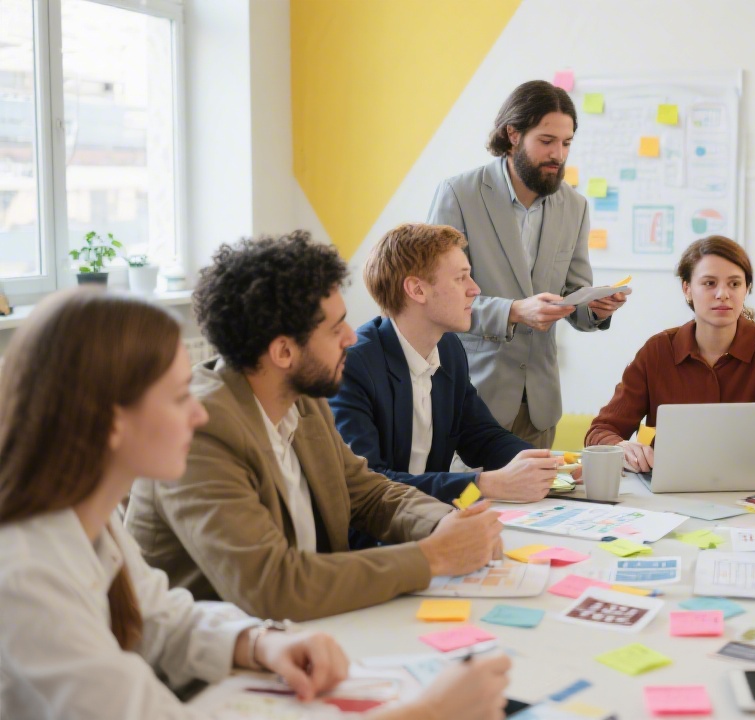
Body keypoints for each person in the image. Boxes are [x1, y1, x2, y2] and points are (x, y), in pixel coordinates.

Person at [0, 290, 511, 720]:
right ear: (111, 421)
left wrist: (259, 643)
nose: (196, 413)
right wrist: (422, 714)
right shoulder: (26, 576)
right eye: (179, 397)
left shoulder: (86, 522)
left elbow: (160, 618)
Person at [126, 232, 504, 622]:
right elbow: (272, 587)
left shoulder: (301, 400)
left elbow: (367, 493)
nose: (351, 337)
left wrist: (446, 522)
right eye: (335, 328)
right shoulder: (199, 433)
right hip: (217, 666)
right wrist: (431, 556)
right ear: (284, 352)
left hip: (306, 634)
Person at [428, 80, 627, 448]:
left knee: (540, 507)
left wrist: (596, 309)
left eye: (566, 143)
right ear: (513, 134)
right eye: (547, 141)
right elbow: (440, 300)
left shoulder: (575, 205)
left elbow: (573, 298)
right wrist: (516, 312)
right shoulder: (459, 194)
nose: (558, 155)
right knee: (471, 504)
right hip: (472, 398)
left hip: (540, 405)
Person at [331, 223, 568, 512]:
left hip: (431, 522)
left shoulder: (449, 349)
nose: (475, 289)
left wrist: (548, 463)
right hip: (371, 541)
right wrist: (483, 485)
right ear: (417, 289)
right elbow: (369, 484)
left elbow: (481, 436)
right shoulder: (353, 366)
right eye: (461, 278)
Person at [586, 235, 755, 471]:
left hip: (748, 486)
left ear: (747, 289)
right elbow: (600, 432)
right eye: (709, 283)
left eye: (734, 284)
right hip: (670, 492)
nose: (723, 293)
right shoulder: (658, 351)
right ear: (687, 288)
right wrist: (621, 447)